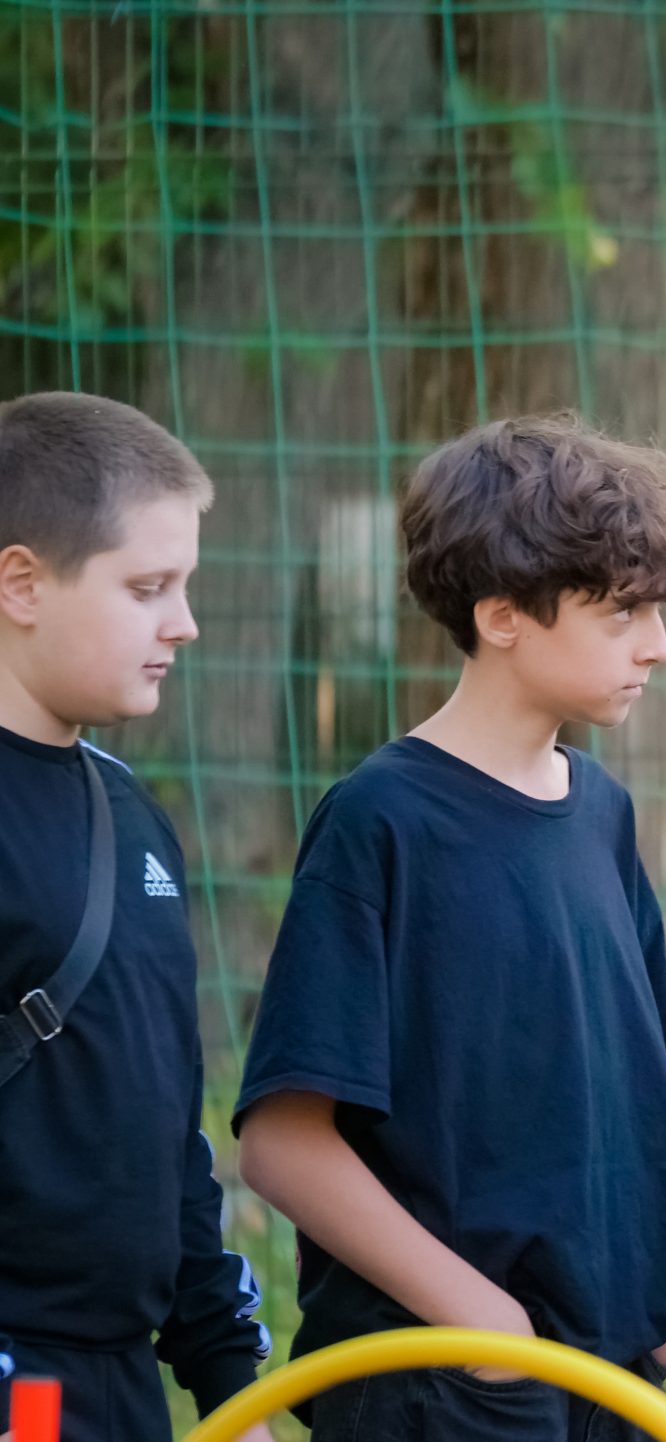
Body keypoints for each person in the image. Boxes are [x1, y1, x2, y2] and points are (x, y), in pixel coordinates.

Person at [233, 416, 666, 1442]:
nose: (659, 644)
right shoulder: (380, 821)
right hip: (446, 1384)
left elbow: (635, 1097)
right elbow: (283, 1142)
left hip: (614, 1372)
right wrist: (483, 1325)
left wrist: (660, 1302)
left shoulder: (602, 811)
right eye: (623, 610)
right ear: (502, 616)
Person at [0, 392, 273, 1442]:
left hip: (124, 1389)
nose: (183, 623)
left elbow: (169, 1128)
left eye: (185, 586)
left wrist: (231, 1381)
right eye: (147, 588)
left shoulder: (132, 815)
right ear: (23, 583)